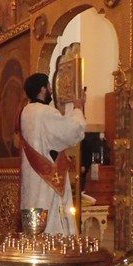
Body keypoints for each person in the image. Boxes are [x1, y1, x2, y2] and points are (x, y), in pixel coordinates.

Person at [19, 72, 86, 235]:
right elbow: (71, 130)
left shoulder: (26, 112)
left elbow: (51, 137)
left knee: (34, 220)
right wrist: (77, 108)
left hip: (32, 178)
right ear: (43, 89)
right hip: (47, 180)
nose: (50, 90)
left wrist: (62, 112)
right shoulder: (44, 112)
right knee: (51, 224)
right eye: (49, 86)